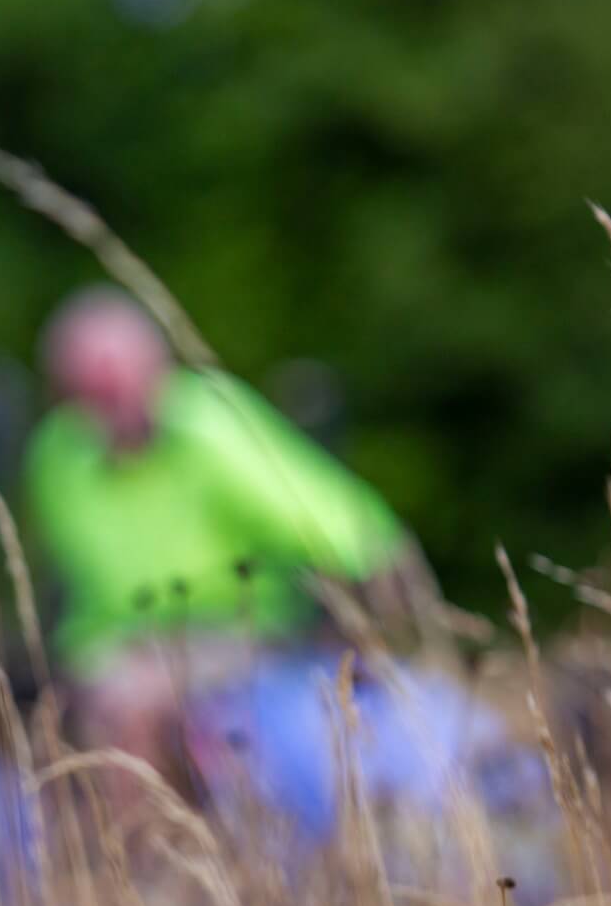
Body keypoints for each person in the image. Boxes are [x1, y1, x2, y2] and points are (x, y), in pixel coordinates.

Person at [21, 288, 416, 784]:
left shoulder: (207, 428)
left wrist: (368, 612)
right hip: (106, 649)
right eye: (90, 391)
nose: (108, 406)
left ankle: (145, 853)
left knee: (128, 704)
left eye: (116, 384)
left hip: (238, 632)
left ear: (156, 368)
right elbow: (68, 589)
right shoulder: (57, 455)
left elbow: (343, 529)